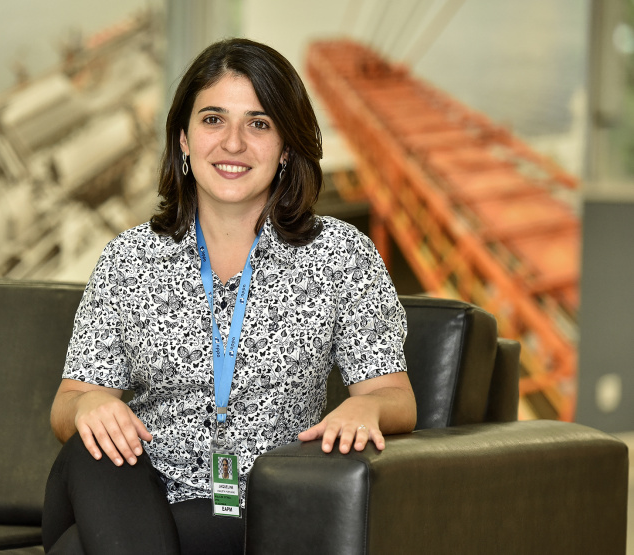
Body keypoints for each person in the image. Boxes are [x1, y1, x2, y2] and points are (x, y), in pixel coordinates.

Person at [43, 38, 416, 555]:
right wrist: (89, 408)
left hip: (259, 508)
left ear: (286, 147)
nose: (233, 143)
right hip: (134, 488)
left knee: (75, 550)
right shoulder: (129, 259)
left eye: (259, 123)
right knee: (93, 450)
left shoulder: (339, 256)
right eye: (213, 120)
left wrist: (367, 411)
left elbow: (396, 398)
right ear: (184, 140)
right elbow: (66, 407)